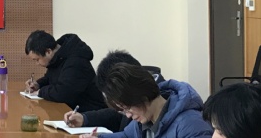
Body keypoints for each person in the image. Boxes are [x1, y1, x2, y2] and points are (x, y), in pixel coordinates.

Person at [80, 63, 214, 138]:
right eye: (123, 111)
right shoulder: (145, 116)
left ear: (142, 98)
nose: (128, 115)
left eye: (128, 108)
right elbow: (127, 137)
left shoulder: (190, 123)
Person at [63, 49, 191, 133]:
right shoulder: (138, 102)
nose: (128, 114)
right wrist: (85, 119)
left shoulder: (155, 104)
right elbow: (117, 115)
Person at [23, 30, 104, 112]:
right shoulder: (58, 57)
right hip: (71, 111)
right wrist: (38, 84)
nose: (37, 63)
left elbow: (63, 93)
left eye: (37, 59)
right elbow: (50, 78)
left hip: (90, 114)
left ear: (48, 51)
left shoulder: (76, 61)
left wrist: (40, 92)